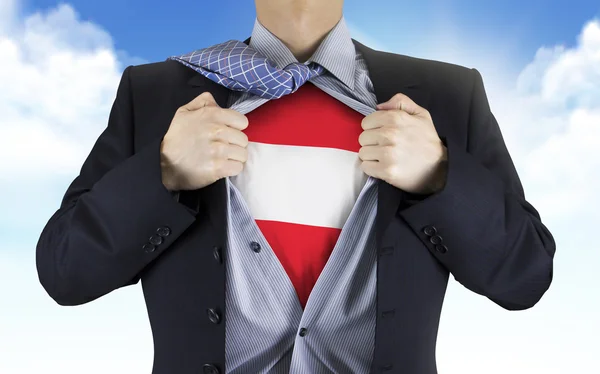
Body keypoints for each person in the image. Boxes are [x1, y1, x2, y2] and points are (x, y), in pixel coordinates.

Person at [35, 0, 556, 373]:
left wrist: (440, 175)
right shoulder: (154, 94)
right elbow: (65, 271)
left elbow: (524, 275)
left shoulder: (448, 94)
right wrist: (162, 171)